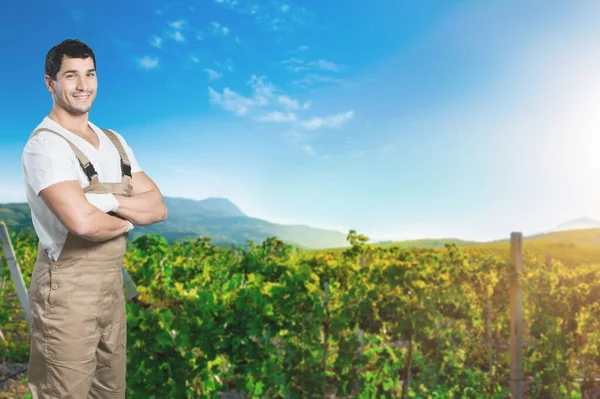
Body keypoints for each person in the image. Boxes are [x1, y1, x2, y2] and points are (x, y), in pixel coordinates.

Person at [21, 39, 167, 398]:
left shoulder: (114, 141)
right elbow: (83, 224)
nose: (83, 86)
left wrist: (103, 201)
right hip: (67, 292)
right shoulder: (46, 145)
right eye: (71, 75)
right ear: (49, 82)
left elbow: (159, 207)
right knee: (64, 392)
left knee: (110, 390)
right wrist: (131, 213)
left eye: (90, 74)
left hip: (110, 288)